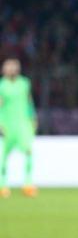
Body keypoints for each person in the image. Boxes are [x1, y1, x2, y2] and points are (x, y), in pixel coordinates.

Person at [0, 58, 38, 198]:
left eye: (14, 67)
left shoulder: (24, 83)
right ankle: (3, 185)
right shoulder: (2, 85)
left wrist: (33, 117)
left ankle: (28, 184)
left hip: (23, 124)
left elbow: (29, 101)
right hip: (8, 124)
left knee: (28, 152)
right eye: (9, 67)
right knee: (4, 155)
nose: (12, 69)